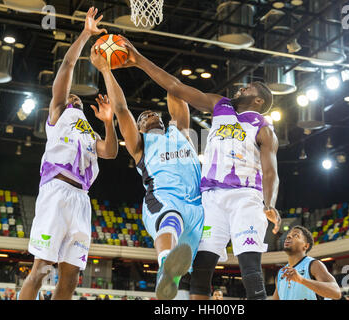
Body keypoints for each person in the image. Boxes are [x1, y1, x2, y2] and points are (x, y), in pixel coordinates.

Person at [114, 36, 281, 301]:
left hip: (245, 197)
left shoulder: (263, 127)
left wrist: (269, 203)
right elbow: (175, 87)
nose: (239, 89)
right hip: (211, 200)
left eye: (247, 88)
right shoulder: (220, 105)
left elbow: (270, 170)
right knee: (201, 274)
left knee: (250, 269)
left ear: (259, 101)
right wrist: (137, 60)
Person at [90, 48, 204, 300]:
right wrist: (106, 70)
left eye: (153, 113)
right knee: (170, 221)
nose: (149, 115)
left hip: (199, 207)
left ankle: (174, 275)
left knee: (198, 277)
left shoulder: (181, 131)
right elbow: (121, 109)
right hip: (164, 199)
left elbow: (175, 90)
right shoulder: (140, 145)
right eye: (142, 117)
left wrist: (151, 68)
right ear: (139, 128)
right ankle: (165, 267)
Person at [19, 7, 118, 300]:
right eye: (70, 95)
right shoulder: (58, 114)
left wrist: (109, 123)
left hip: (81, 200)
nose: (73, 96)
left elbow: (110, 153)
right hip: (57, 190)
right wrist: (86, 34)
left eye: (77, 97)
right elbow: (67, 66)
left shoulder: (89, 132)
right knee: (40, 270)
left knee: (71, 276)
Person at [272, 226, 341, 300]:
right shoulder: (281, 273)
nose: (288, 236)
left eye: (295, 235)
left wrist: (302, 280)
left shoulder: (313, 265)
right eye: (289, 235)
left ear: (305, 246)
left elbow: (336, 293)